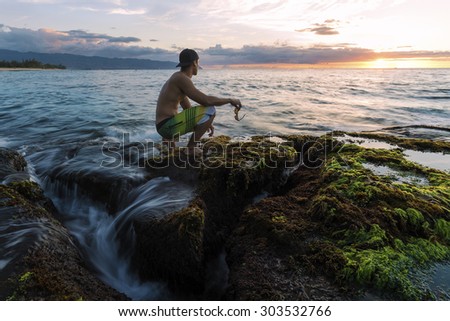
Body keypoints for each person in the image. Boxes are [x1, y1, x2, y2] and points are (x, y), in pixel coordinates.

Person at [155, 48, 242, 154]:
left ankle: (168, 140)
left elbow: (187, 108)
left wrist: (205, 122)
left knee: (206, 114)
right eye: (198, 62)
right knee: (210, 110)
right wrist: (229, 100)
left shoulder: (177, 77)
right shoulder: (181, 79)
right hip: (167, 127)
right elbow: (206, 101)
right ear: (194, 63)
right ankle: (191, 148)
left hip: (165, 127)